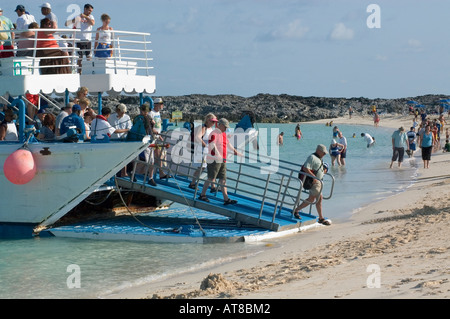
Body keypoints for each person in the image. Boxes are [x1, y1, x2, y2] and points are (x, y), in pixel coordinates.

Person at [198, 118, 242, 205]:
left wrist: (235, 151)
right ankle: (202, 194)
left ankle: (226, 198)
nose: (226, 129)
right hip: (214, 159)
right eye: (225, 127)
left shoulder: (223, 134)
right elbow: (212, 144)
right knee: (211, 177)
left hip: (223, 159)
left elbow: (228, 144)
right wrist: (217, 154)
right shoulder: (214, 133)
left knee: (223, 179)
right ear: (220, 125)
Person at [293, 144, 331, 226]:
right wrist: (314, 177)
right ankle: (321, 218)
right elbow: (305, 168)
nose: (324, 154)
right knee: (315, 199)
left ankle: (297, 210)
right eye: (323, 152)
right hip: (315, 182)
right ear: (319, 151)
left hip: (318, 182)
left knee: (314, 199)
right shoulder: (312, 157)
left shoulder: (319, 158)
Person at [127, 103, 156, 185]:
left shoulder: (147, 118)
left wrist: (152, 124)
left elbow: (150, 129)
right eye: (144, 111)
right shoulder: (139, 119)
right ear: (141, 110)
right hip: (142, 140)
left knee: (150, 160)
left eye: (146, 111)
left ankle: (150, 177)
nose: (145, 112)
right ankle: (133, 173)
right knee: (139, 159)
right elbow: (138, 129)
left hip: (148, 139)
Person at [188, 113, 218, 189]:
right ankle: (192, 183)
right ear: (208, 120)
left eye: (214, 121)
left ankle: (212, 186)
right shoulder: (203, 128)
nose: (214, 123)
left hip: (207, 152)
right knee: (201, 168)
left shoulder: (211, 129)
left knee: (211, 168)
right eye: (212, 121)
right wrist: (204, 144)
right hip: (201, 151)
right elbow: (197, 137)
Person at [66, 4, 95, 72]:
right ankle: (79, 74)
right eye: (89, 10)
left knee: (89, 58)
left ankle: (91, 72)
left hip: (88, 41)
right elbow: (67, 24)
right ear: (85, 9)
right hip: (79, 41)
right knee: (79, 58)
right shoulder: (78, 17)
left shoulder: (91, 17)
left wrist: (85, 16)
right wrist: (75, 19)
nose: (90, 12)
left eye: (91, 11)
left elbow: (92, 23)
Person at [150, 98, 170, 179]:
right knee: (157, 156)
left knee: (159, 156)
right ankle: (160, 173)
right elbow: (149, 126)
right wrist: (154, 131)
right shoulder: (151, 113)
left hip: (157, 137)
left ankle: (160, 173)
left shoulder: (158, 113)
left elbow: (158, 126)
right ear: (156, 104)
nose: (162, 105)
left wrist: (160, 135)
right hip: (152, 137)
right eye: (161, 104)